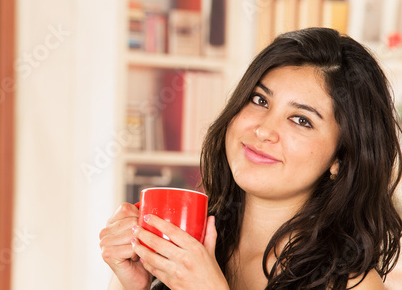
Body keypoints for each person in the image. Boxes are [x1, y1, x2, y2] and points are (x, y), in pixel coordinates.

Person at [99, 28, 402, 289]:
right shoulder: (181, 246)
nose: (264, 130)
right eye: (260, 100)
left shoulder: (351, 284)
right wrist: (131, 285)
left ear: (341, 158)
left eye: (301, 120)